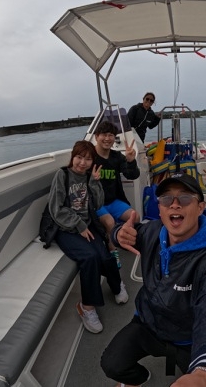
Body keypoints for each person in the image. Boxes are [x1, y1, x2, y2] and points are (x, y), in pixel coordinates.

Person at [100, 173, 206, 387]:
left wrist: (205, 372)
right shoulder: (152, 231)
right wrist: (118, 234)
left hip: (189, 337)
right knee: (112, 365)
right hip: (148, 323)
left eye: (184, 197)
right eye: (166, 199)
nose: (174, 204)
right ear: (160, 209)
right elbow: (128, 233)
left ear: (200, 208)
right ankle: (140, 378)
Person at [48, 140, 129, 334]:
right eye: (79, 157)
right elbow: (56, 209)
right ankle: (86, 307)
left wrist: (94, 182)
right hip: (66, 228)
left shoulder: (88, 176)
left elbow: (98, 204)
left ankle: (117, 285)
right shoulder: (62, 175)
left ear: (92, 162)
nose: (82, 163)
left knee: (105, 256)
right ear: (73, 157)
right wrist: (79, 225)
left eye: (87, 159)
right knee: (90, 257)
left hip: (87, 225)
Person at [94, 121, 141, 261]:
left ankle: (126, 240)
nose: (107, 138)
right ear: (96, 137)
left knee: (135, 216)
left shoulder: (117, 157)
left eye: (111, 135)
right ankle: (113, 254)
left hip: (113, 201)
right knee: (109, 222)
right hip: (97, 203)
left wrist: (131, 161)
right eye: (104, 135)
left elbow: (132, 175)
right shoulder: (90, 156)